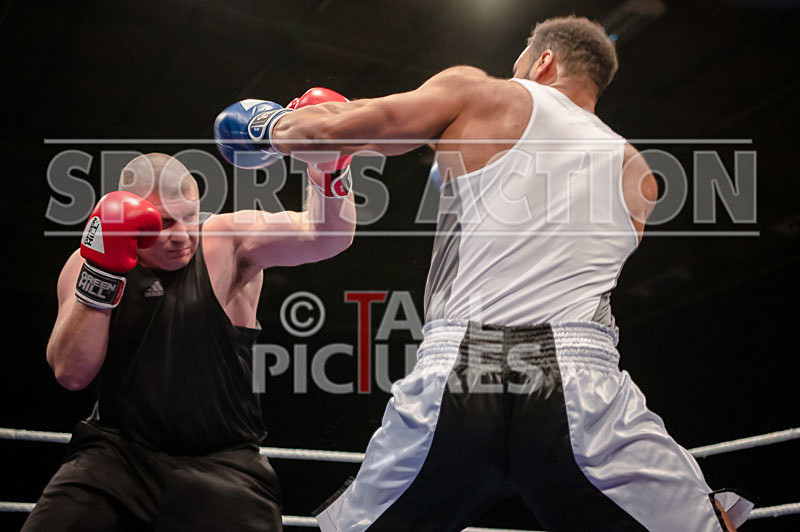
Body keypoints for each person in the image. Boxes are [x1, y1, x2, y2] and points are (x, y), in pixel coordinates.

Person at [214, 16, 752, 532]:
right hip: (579, 381)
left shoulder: (483, 93)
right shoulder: (641, 174)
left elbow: (330, 132)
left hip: (462, 371)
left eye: (519, 60)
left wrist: (268, 125)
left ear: (542, 60)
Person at [26, 88, 356, 532]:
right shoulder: (87, 261)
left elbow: (328, 235)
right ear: (128, 214)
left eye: (189, 217)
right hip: (116, 458)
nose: (181, 235)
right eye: (162, 223)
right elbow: (71, 372)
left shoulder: (227, 240)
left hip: (223, 466)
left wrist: (329, 163)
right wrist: (103, 272)